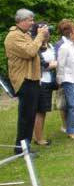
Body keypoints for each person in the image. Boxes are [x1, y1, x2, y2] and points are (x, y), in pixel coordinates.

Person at [4, 9, 48, 154]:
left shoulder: (25, 35)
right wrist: (39, 36)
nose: (33, 22)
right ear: (21, 20)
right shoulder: (13, 36)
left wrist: (43, 39)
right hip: (24, 80)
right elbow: (29, 52)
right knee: (25, 116)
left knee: (30, 114)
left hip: (33, 79)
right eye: (30, 20)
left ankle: (25, 147)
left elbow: (37, 50)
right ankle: (21, 149)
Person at [56, 22, 74, 141]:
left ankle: (72, 127)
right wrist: (59, 80)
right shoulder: (64, 47)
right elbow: (60, 65)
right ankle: (72, 130)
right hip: (69, 79)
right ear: (70, 34)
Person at [33, 22, 57, 146]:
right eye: (44, 31)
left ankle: (38, 135)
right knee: (40, 110)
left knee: (44, 110)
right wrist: (50, 65)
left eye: (48, 32)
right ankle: (38, 138)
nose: (47, 34)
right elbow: (39, 64)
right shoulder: (35, 46)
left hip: (49, 81)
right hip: (41, 81)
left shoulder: (50, 45)